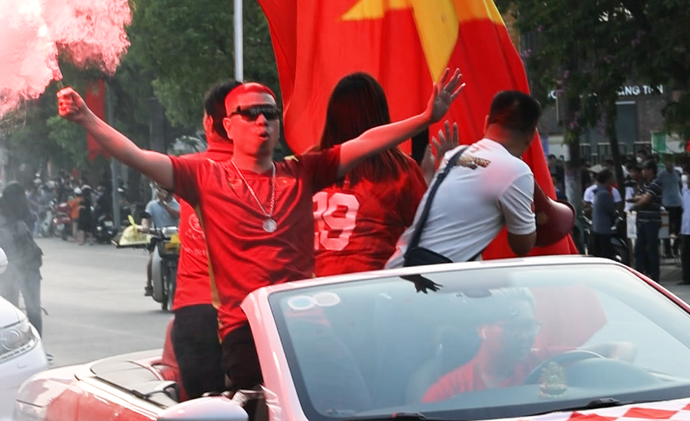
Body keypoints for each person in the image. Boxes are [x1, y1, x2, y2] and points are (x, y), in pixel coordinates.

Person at [56, 70, 465, 390]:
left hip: (312, 327)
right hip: (246, 331)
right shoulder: (203, 175)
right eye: (248, 114)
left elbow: (366, 141)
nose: (261, 121)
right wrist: (88, 118)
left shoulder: (303, 171)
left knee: (349, 398)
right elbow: (137, 156)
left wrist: (427, 117)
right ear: (227, 126)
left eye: (269, 112)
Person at [384, 91, 541, 269]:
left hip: (399, 267)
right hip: (430, 281)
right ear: (532, 136)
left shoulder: (454, 156)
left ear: (486, 122)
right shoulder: (516, 171)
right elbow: (522, 245)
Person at [312, 73, 429, 276]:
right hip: (373, 286)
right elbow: (425, 231)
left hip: (317, 287)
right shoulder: (398, 168)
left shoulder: (310, 163)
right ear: (379, 115)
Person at [421, 290, 635, 399]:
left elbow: (623, 348)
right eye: (514, 328)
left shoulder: (543, 360)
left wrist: (610, 377)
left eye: (530, 326)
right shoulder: (448, 391)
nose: (525, 336)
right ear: (483, 329)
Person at [172, 79, 240, 399]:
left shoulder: (188, 169)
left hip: (195, 310)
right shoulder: (273, 174)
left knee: (203, 405)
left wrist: (87, 117)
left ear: (209, 122)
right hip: (248, 314)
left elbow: (133, 154)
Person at [0, 182, 44, 334]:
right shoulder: (28, 215)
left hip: (7, 270)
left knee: (10, 313)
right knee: (34, 311)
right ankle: (36, 345)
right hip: (30, 267)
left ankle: (13, 347)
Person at [142, 183, 180, 296]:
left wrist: (164, 203)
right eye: (159, 190)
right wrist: (145, 226)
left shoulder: (176, 204)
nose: (160, 192)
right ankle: (149, 285)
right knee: (153, 259)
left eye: (163, 190)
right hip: (158, 237)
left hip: (174, 238)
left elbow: (176, 215)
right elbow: (146, 218)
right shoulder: (152, 205)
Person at [631, 160, 663, 282]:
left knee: (652, 249)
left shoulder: (656, 183)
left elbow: (646, 200)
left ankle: (654, 276)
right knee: (639, 249)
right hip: (642, 220)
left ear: (650, 170)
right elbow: (638, 197)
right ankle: (640, 274)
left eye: (645, 169)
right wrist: (641, 198)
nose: (642, 172)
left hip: (651, 221)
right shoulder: (644, 184)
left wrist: (637, 204)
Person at [657, 157, 683, 257]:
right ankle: (667, 251)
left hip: (678, 203)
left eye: (671, 164)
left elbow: (680, 185)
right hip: (666, 204)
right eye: (668, 163)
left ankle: (676, 248)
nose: (670, 166)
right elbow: (658, 187)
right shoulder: (661, 175)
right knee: (665, 229)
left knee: (679, 228)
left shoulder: (677, 172)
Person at [590, 170, 617, 261]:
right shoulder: (604, 194)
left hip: (596, 227)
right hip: (603, 229)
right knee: (605, 254)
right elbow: (611, 210)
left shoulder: (598, 191)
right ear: (608, 179)